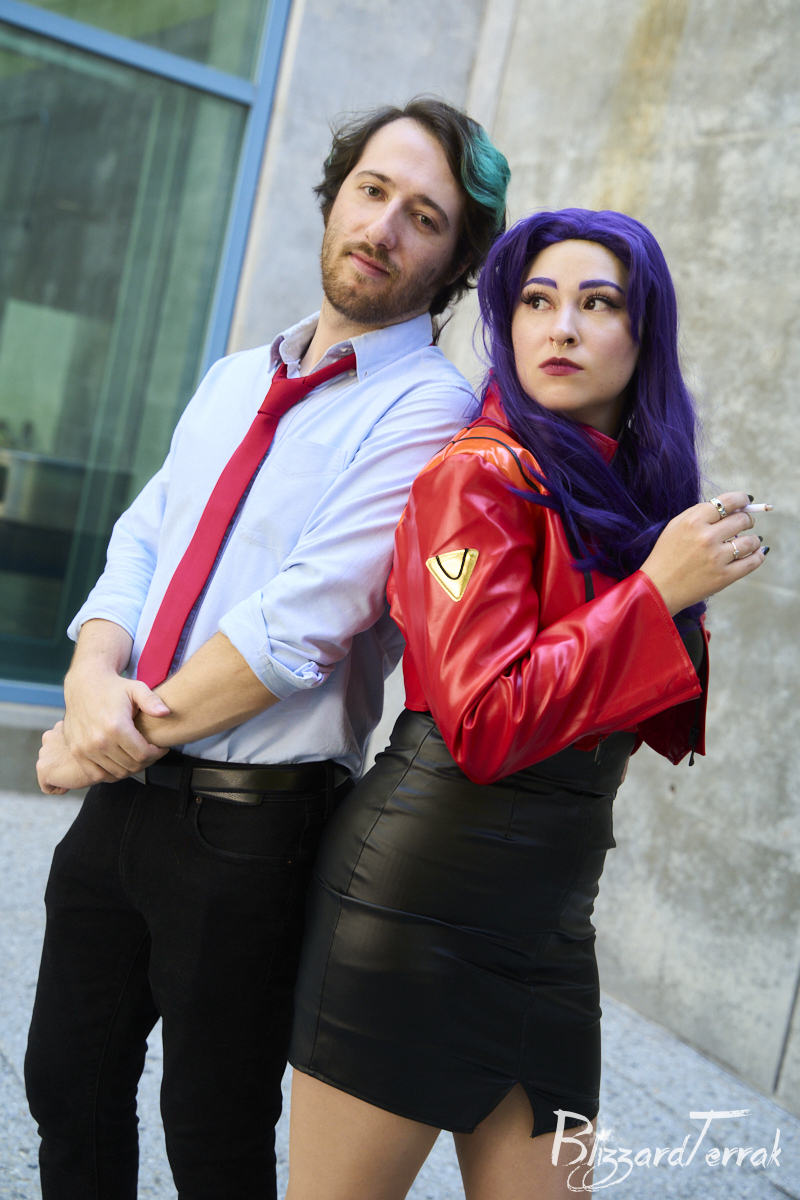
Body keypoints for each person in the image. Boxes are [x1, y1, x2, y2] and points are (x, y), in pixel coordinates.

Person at [25, 99, 510, 1199]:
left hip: (251, 832)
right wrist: (91, 679)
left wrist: (101, 739)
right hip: (126, 795)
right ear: (335, 197)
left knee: (212, 1131)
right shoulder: (236, 376)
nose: (383, 227)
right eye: (372, 192)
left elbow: (303, 621)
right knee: (67, 1082)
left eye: (424, 216)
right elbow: (142, 539)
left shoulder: (431, 413)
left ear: (454, 261)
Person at [285, 208, 771, 1200]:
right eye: (537, 302)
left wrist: (658, 583)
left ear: (643, 334)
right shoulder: (474, 479)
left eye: (598, 304)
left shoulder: (620, 492)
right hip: (417, 906)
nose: (561, 328)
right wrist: (654, 594)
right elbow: (484, 721)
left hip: (551, 919)